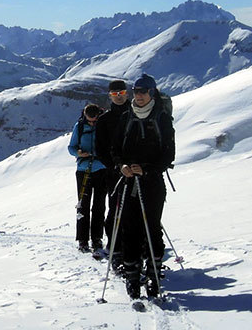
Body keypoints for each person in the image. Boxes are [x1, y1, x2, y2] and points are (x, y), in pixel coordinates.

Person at [111, 74, 175, 299]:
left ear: (152, 93)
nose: (138, 96)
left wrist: (147, 169)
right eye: (136, 91)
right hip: (129, 181)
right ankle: (132, 275)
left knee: (152, 228)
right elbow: (115, 149)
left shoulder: (162, 118)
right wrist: (121, 165)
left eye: (143, 92)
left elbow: (168, 154)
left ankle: (153, 273)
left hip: (152, 182)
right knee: (130, 228)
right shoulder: (127, 117)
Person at [95, 79, 131, 272]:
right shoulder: (104, 120)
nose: (119, 97)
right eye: (115, 94)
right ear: (110, 96)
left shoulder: (136, 114)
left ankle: (135, 249)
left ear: (127, 93)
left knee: (135, 210)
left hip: (136, 170)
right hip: (114, 173)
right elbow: (100, 149)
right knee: (116, 209)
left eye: (121, 93)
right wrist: (114, 166)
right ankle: (115, 248)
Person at [68, 103, 108, 253]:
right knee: (83, 205)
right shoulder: (79, 127)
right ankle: (83, 240)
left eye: (94, 120)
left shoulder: (103, 125)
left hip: (101, 169)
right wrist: (79, 153)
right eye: (89, 120)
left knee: (99, 205)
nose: (92, 123)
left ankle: (97, 238)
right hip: (84, 170)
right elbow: (71, 147)